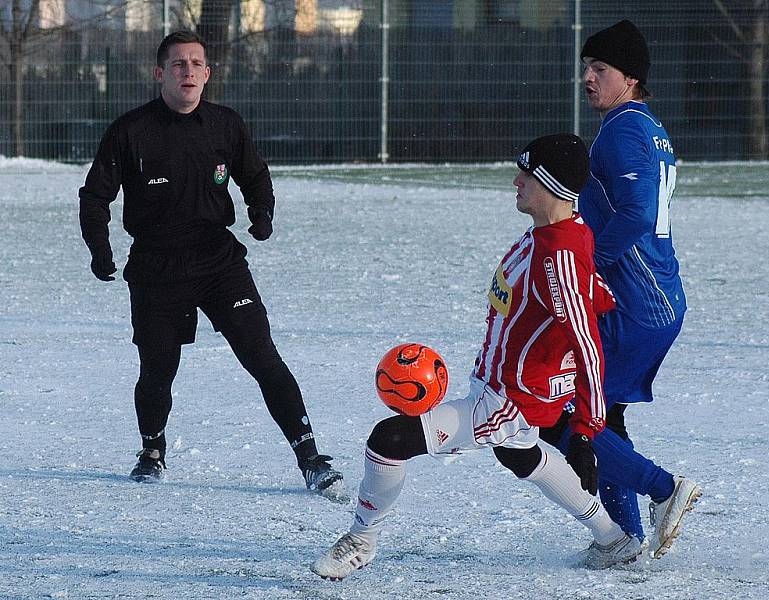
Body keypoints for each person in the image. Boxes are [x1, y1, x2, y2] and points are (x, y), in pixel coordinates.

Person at [310, 134, 644, 580]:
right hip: (506, 387)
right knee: (520, 457)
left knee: (388, 441)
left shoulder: (558, 254)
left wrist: (584, 432)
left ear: (549, 184)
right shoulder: (558, 233)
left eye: (526, 174)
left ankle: (362, 538)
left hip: (506, 401)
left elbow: (585, 341)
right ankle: (613, 541)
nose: (515, 182)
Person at [78, 30, 342, 498]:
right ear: (160, 73)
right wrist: (100, 248)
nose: (188, 72)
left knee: (263, 357)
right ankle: (152, 451)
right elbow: (95, 195)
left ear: (207, 74)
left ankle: (311, 458)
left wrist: (262, 214)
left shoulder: (225, 125)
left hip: (219, 263)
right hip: (157, 269)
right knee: (157, 370)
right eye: (178, 64)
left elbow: (256, 176)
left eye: (196, 64)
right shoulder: (130, 131)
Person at [544, 19, 700, 556]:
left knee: (564, 415)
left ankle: (662, 493)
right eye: (585, 67)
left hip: (639, 302)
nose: (587, 77)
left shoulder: (625, 129)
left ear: (629, 77)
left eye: (600, 69)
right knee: (600, 413)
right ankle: (623, 537)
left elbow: (638, 211)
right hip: (651, 297)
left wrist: (591, 267)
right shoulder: (643, 125)